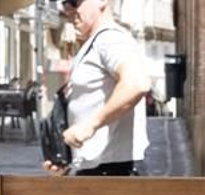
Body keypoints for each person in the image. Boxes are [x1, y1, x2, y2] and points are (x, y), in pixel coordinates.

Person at [45, 0, 150, 176]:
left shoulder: (110, 39)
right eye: (65, 3)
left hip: (113, 171)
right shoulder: (96, 42)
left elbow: (136, 83)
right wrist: (65, 158)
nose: (69, 10)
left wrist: (89, 126)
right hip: (98, 168)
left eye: (74, 2)